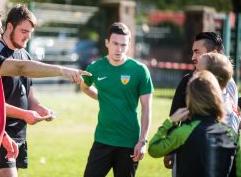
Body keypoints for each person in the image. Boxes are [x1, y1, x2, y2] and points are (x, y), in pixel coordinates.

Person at [0, 4, 91, 177]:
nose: (0, 33)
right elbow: (21, 68)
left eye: (0, 28)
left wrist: (4, 136)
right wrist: (62, 71)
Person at [80, 22, 154, 177]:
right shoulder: (95, 68)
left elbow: (146, 108)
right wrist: (102, 98)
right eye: (115, 43)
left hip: (129, 142)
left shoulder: (140, 71)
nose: (119, 49)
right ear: (107, 42)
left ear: (129, 45)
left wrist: (142, 141)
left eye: (123, 45)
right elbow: (85, 87)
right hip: (103, 139)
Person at [0, 4, 55, 177]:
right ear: (10, 26)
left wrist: (40, 109)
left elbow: (29, 97)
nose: (27, 37)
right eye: (23, 31)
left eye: (30, 33)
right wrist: (25, 114)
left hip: (20, 135)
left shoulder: (25, 55)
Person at [163, 32, 239, 173]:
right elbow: (174, 117)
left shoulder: (230, 84)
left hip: (220, 155)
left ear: (214, 53)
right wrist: (170, 149)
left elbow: (233, 119)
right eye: (193, 52)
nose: (193, 57)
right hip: (187, 156)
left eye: (197, 52)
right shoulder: (187, 81)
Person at [148, 70, 237, 177]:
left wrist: (170, 121)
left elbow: (153, 149)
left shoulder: (183, 133)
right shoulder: (231, 133)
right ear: (217, 97)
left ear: (190, 99)